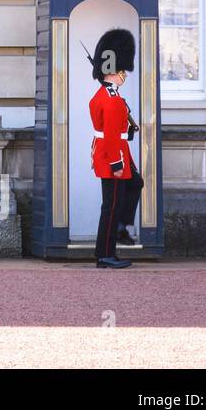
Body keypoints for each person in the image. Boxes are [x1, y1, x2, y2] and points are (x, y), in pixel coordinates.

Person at [88, 28, 144, 269]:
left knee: (136, 184)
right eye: (122, 72)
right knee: (110, 207)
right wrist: (117, 164)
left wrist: (130, 130)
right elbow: (110, 135)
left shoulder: (110, 95)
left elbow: (116, 130)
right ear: (113, 72)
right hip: (113, 154)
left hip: (118, 149)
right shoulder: (109, 100)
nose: (124, 76)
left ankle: (121, 228)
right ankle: (104, 254)